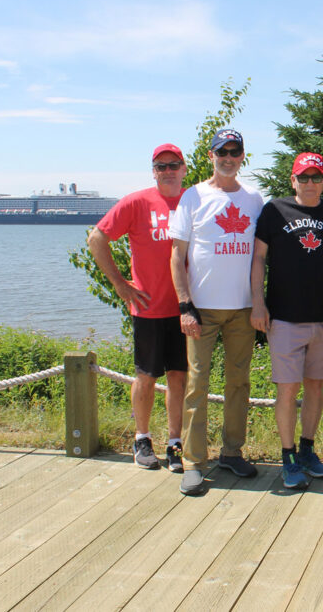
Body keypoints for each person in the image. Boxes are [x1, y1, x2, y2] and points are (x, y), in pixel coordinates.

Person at [169, 128, 265, 496]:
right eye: (221, 152)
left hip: (242, 308)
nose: (228, 158)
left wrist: (259, 302)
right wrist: (184, 305)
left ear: (242, 156)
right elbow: (177, 255)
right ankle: (194, 462)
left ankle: (231, 452)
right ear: (211, 155)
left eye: (234, 151)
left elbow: (260, 257)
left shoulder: (254, 199)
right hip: (202, 310)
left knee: (239, 383)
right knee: (197, 384)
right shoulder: (193, 196)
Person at [251, 152, 323, 490]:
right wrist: (258, 303)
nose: (310, 183)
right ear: (293, 180)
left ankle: (307, 450)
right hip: (284, 318)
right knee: (287, 389)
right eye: (303, 177)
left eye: (316, 177)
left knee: (315, 387)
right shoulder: (274, 211)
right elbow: (258, 259)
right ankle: (288, 456)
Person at [88, 143, 188, 472]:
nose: (168, 171)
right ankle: (142, 438)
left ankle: (175, 443)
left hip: (186, 307)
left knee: (178, 377)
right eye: (161, 166)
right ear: (153, 171)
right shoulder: (136, 202)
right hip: (149, 308)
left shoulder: (194, 201)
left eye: (173, 165)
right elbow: (97, 239)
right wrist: (119, 284)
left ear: (184, 168)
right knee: (146, 376)